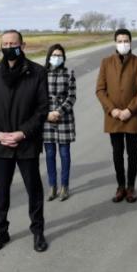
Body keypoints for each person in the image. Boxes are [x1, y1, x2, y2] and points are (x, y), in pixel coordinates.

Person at [0, 30, 50, 253]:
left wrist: (23, 133)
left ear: (23, 45)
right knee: (2, 191)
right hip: (1, 144)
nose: (9, 47)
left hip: (26, 142)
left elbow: (42, 109)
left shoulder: (37, 72)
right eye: (5, 43)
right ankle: (1, 231)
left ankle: (38, 231)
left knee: (34, 189)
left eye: (13, 43)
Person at [96, 28, 137, 203]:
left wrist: (130, 109)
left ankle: (131, 187)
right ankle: (120, 186)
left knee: (132, 153)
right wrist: (112, 109)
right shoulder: (106, 62)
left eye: (126, 40)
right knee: (117, 153)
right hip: (113, 117)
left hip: (132, 116)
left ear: (130, 42)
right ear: (115, 43)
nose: (123, 44)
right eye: (119, 41)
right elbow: (100, 90)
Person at [43, 44, 76, 201]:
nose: (57, 57)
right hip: (46, 118)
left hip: (64, 118)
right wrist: (47, 113)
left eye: (59, 55)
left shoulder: (69, 73)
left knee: (64, 154)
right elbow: (37, 97)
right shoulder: (42, 74)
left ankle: (64, 186)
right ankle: (52, 186)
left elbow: (72, 97)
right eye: (54, 55)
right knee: (49, 154)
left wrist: (59, 112)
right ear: (49, 57)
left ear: (63, 57)